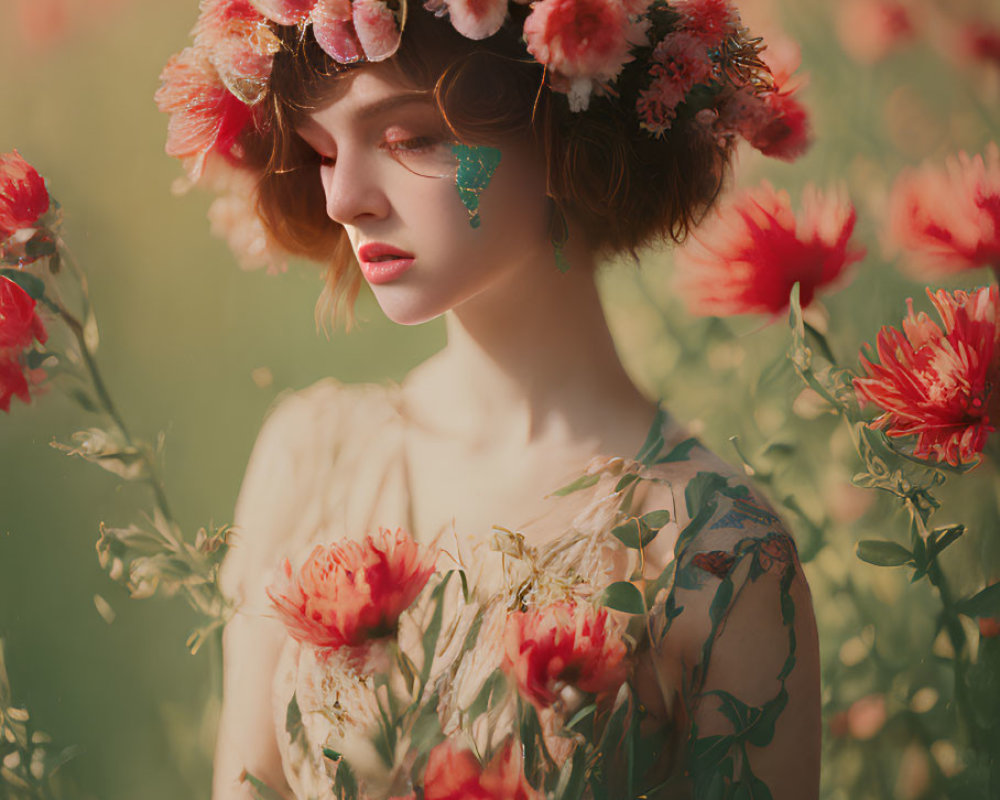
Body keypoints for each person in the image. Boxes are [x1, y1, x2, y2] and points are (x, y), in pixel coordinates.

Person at [157, 1, 821, 797]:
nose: (343, 200)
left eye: (408, 138)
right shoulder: (312, 456)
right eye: (323, 150)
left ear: (563, 121)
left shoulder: (718, 552)